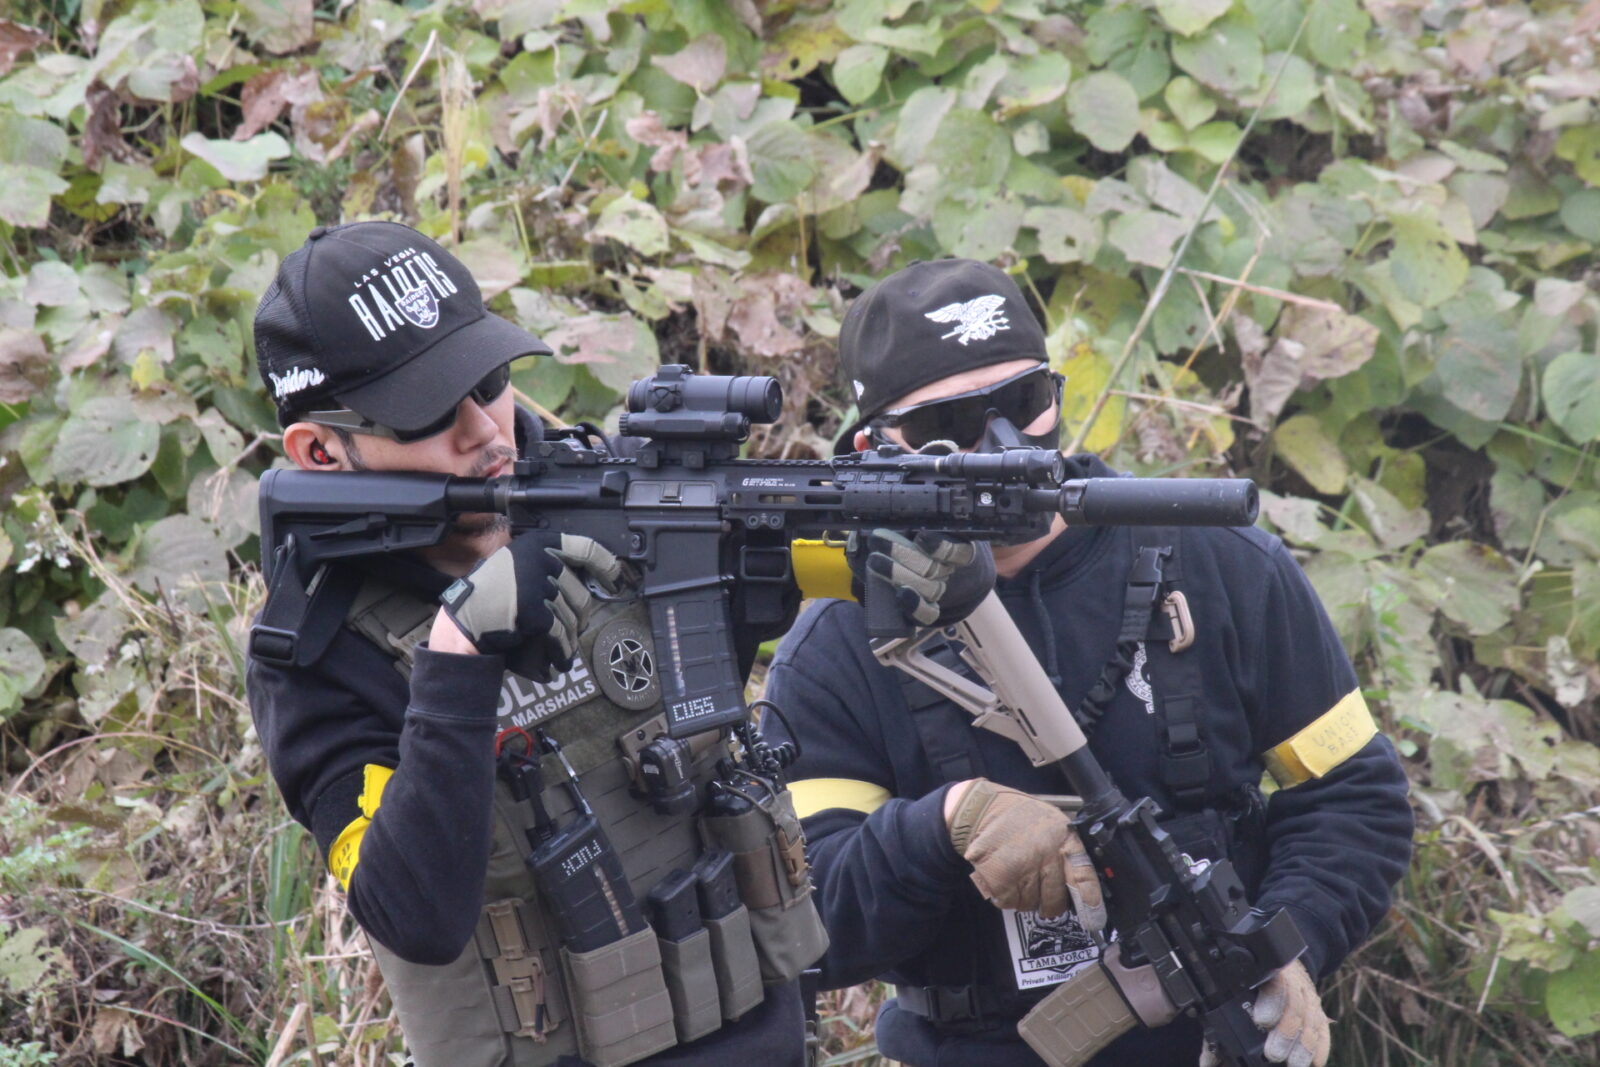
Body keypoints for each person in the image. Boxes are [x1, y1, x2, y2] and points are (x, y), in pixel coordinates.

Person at [763, 259, 1415, 1067]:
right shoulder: (838, 645)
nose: (1005, 446)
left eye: (1025, 402)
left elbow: (1354, 796)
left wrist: (1290, 944)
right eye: (953, 422)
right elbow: (805, 921)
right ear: (873, 446)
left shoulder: (1218, 563)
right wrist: (941, 825)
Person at [245, 221, 810, 1067]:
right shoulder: (319, 650)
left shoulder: (608, 500)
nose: (486, 431)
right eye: (429, 411)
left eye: (490, 382)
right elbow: (412, 912)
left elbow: (702, 719)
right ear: (321, 451)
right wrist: (457, 656)